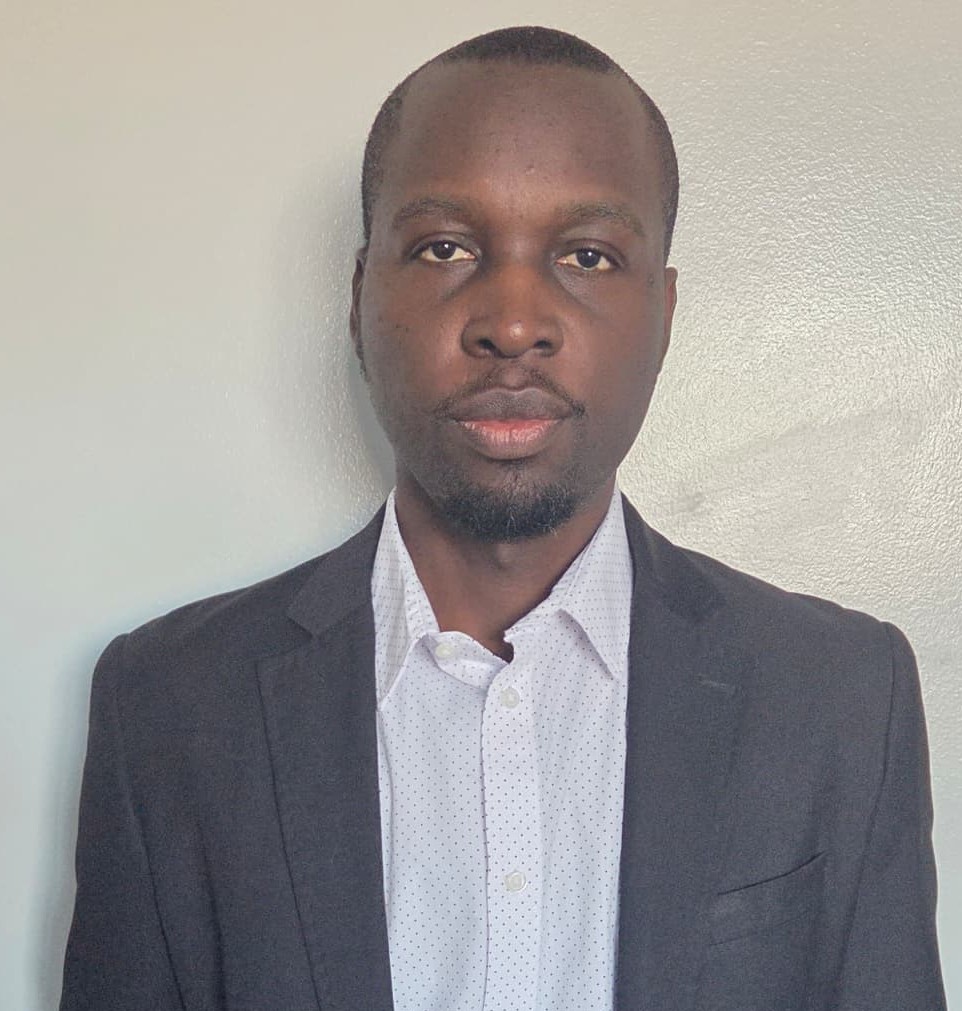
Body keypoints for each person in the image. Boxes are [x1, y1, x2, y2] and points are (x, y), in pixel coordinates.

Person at [60, 25, 945, 1011]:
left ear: (663, 314)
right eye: (445, 247)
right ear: (359, 299)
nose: (513, 322)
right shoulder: (171, 708)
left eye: (587, 255)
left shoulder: (837, 698)